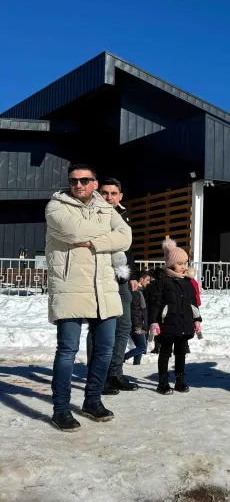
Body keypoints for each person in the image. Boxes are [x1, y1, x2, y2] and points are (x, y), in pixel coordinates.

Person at [47, 164, 132, 431]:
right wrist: (108, 237)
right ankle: (60, 409)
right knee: (67, 351)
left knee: (105, 349)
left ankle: (92, 400)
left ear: (94, 183)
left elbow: (126, 237)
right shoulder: (56, 207)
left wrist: (96, 242)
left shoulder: (107, 209)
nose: (78, 185)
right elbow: (74, 232)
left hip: (104, 286)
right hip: (70, 285)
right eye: (74, 180)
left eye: (84, 180)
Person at [95, 178, 140, 394]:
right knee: (99, 328)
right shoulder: (92, 215)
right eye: (105, 193)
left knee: (123, 328)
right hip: (102, 277)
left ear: (120, 196)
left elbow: (128, 248)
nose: (109, 197)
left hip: (122, 279)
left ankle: (115, 373)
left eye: (114, 193)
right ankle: (98, 376)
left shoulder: (124, 216)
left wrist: (132, 275)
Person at [148, 240, 201, 395]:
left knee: (181, 353)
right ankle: (163, 383)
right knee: (165, 353)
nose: (183, 267)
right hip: (167, 324)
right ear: (170, 264)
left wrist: (197, 319)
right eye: (179, 263)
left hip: (184, 324)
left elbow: (193, 304)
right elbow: (155, 304)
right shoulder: (162, 282)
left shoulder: (187, 282)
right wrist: (153, 321)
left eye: (185, 263)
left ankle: (179, 380)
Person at [124, 270, 152, 365]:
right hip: (137, 324)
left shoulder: (141, 291)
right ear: (141, 279)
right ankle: (122, 358)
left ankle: (137, 364)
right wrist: (137, 326)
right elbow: (135, 311)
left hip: (141, 323)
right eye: (147, 280)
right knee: (142, 347)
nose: (148, 282)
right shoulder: (136, 292)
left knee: (139, 345)